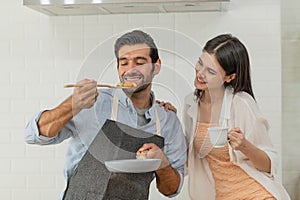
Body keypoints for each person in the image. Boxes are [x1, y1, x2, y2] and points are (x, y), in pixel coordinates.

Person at [25, 30, 187, 200]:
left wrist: (162, 164)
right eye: (124, 63)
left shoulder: (168, 121)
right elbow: (33, 135)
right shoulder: (92, 103)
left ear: (156, 66)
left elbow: (172, 189)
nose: (130, 70)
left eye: (139, 62)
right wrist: (72, 105)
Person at [183, 34, 291, 199]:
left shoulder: (241, 103)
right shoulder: (191, 104)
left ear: (229, 77)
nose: (200, 73)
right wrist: (164, 115)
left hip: (256, 194)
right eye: (200, 63)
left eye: (210, 71)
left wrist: (244, 145)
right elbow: (189, 157)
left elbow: (269, 164)